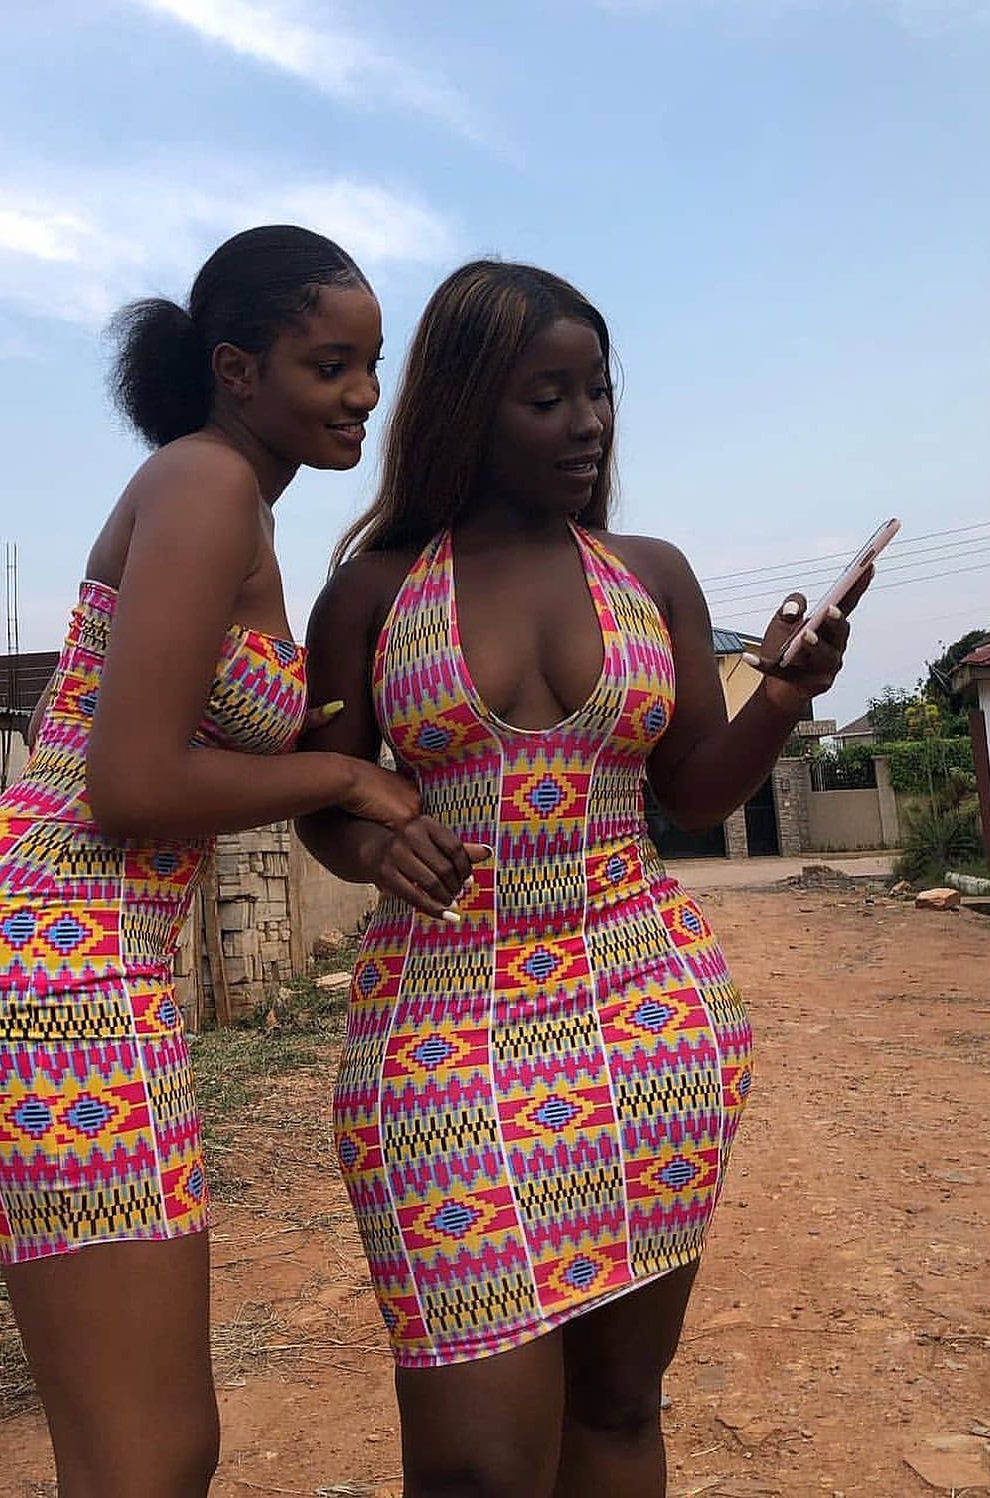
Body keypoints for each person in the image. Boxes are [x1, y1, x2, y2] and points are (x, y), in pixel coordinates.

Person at [297, 259, 869, 1497]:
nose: (587, 422)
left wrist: (782, 692)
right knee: (473, 1463)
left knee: (614, 1409)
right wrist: (374, 845)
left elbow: (694, 794)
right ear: (464, 408)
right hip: (440, 1033)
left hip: (647, 1021)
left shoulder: (648, 573)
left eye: (596, 391)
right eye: (545, 397)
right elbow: (323, 800)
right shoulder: (372, 593)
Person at [0, 225, 420, 1498]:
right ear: (236, 369)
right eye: (329, 365)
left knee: (126, 1442)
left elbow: (144, 731)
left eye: (373, 364)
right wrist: (344, 776)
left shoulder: (232, 503)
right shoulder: (204, 484)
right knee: (154, 1452)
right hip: (44, 946)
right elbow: (130, 787)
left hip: (63, 943)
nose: (362, 394)